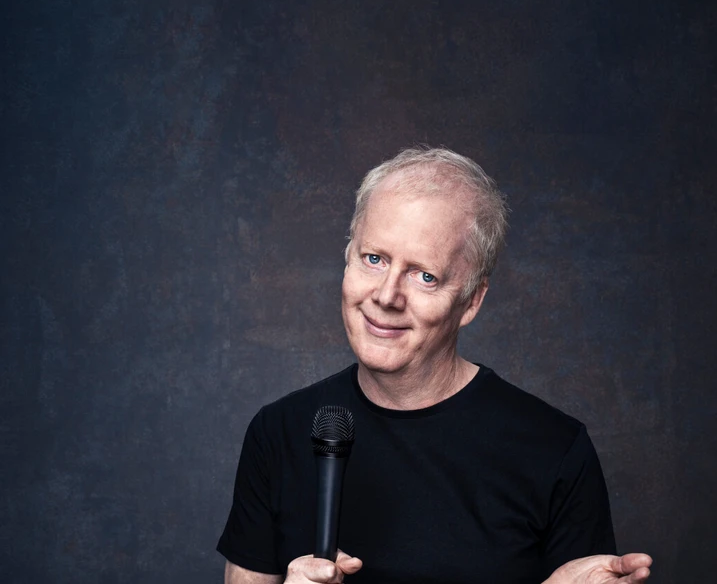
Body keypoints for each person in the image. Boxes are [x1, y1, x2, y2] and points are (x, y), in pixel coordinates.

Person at [217, 148, 652, 583]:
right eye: (374, 259)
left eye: (424, 275)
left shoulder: (555, 449)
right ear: (348, 257)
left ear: (471, 301)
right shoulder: (276, 433)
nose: (387, 296)